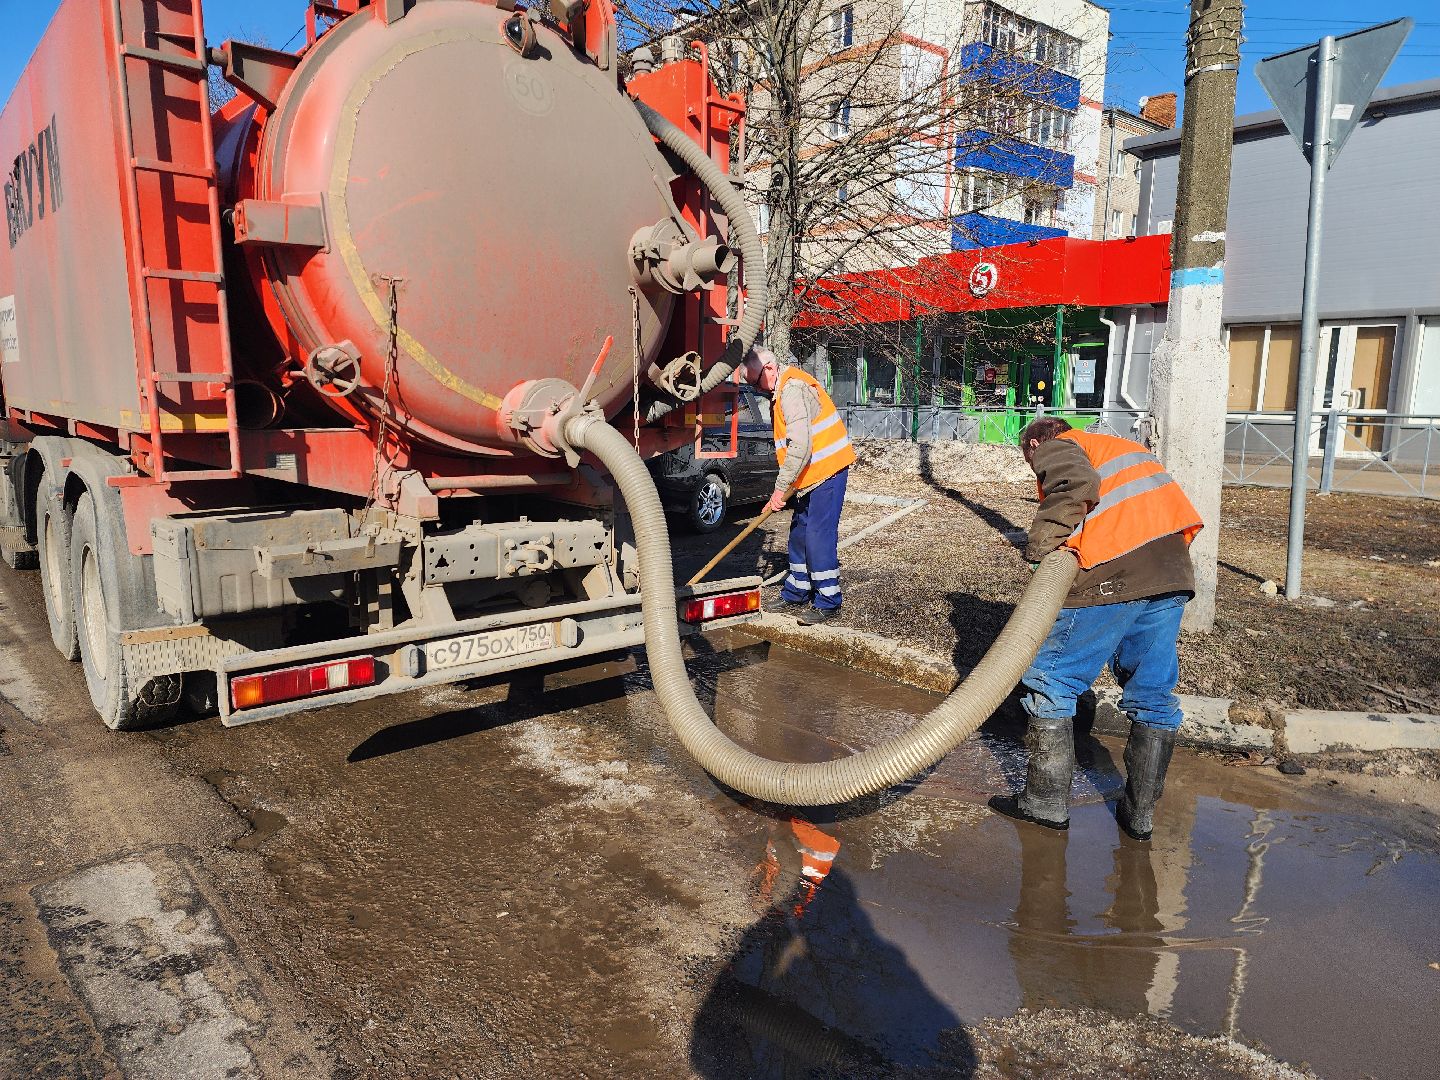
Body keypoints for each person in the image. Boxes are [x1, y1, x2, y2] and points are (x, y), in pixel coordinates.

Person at [989, 417, 1203, 841]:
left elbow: (1076, 484)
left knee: (1052, 679)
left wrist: (1042, 547)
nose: (1035, 468)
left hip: (1116, 570)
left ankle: (1044, 803)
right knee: (1153, 693)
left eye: (1029, 459)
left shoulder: (1059, 445)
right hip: (1171, 570)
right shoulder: (1119, 447)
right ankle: (1139, 816)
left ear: (1034, 443)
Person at [739, 349, 855, 625]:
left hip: (827, 470)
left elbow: (801, 446)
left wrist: (779, 490)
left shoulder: (792, 390)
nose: (756, 389)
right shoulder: (778, 392)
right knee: (799, 533)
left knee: (818, 534)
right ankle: (797, 590)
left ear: (768, 369)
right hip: (808, 476)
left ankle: (828, 599)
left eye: (755, 382)